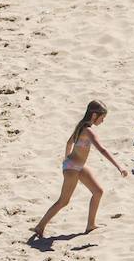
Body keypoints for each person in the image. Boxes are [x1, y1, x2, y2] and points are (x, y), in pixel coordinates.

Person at [31, 100, 128, 240]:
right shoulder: (88, 130)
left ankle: (90, 225)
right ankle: (40, 226)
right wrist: (119, 166)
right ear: (94, 115)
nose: (103, 120)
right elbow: (102, 149)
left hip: (76, 166)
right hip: (72, 168)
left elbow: (69, 142)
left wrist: (66, 159)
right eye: (102, 117)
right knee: (64, 201)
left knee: (98, 191)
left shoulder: (80, 126)